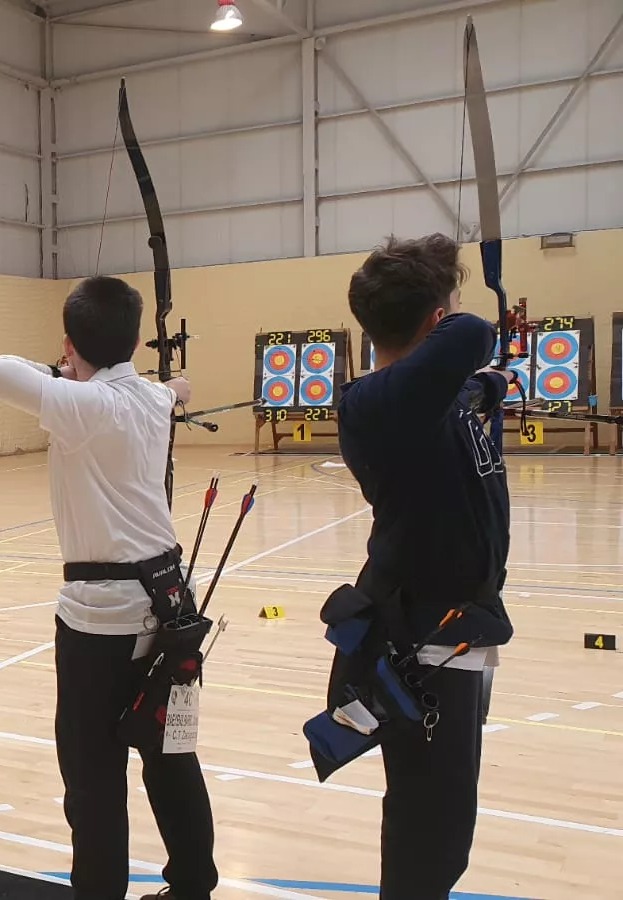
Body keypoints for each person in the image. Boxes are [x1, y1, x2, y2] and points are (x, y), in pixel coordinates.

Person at [0, 275, 216, 900]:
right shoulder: (152, 398)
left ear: (70, 343)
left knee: (93, 778)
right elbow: (176, 389)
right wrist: (157, 385)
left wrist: (61, 373)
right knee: (171, 756)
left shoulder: (81, 405)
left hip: (102, 620)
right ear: (135, 340)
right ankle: (193, 887)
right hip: (171, 602)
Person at [336, 234, 513, 898]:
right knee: (430, 828)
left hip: (460, 626)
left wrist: (489, 386)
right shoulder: (375, 404)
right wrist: (468, 333)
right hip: (426, 639)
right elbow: (472, 334)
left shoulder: (427, 396)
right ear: (438, 319)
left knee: (440, 817)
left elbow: (459, 384)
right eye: (450, 308)